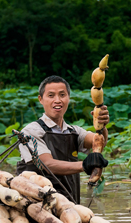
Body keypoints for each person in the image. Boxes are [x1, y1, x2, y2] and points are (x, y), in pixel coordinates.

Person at [17, 75, 110, 204]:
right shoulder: (30, 131)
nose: (57, 100)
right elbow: (47, 164)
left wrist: (102, 126)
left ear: (68, 98)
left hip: (70, 203)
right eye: (51, 95)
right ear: (41, 99)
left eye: (62, 95)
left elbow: (99, 142)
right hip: (38, 204)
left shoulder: (74, 131)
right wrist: (83, 165)